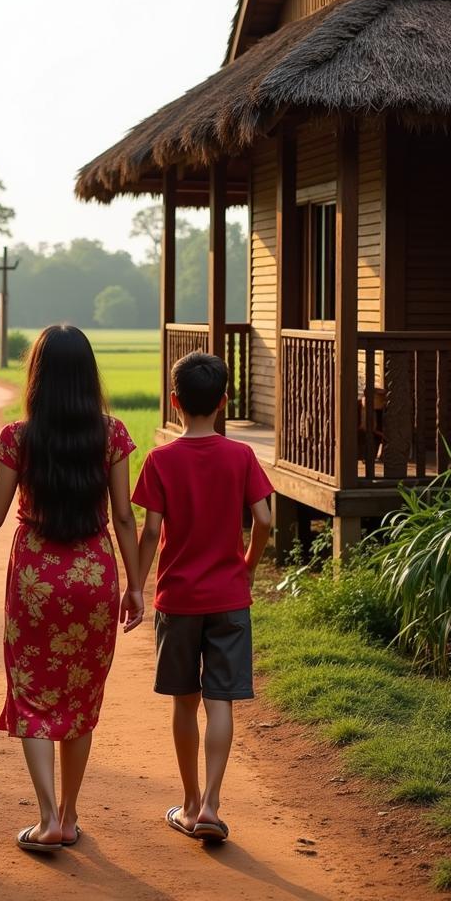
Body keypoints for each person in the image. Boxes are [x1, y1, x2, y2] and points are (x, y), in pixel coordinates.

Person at [0, 324, 143, 853]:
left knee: (31, 691)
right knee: (81, 695)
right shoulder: (113, 434)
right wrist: (138, 584)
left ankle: (48, 816)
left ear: (38, 377)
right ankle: (72, 816)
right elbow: (123, 517)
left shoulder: (17, 438)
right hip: (95, 575)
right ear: (87, 376)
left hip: (35, 578)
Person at [128, 351, 272, 843]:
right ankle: (212, 804)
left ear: (174, 402)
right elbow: (266, 519)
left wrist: (136, 587)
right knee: (222, 700)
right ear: (225, 402)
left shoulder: (161, 459)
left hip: (178, 599)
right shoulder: (242, 456)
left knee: (185, 703)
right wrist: (247, 567)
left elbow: (149, 533)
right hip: (229, 599)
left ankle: (189, 803)